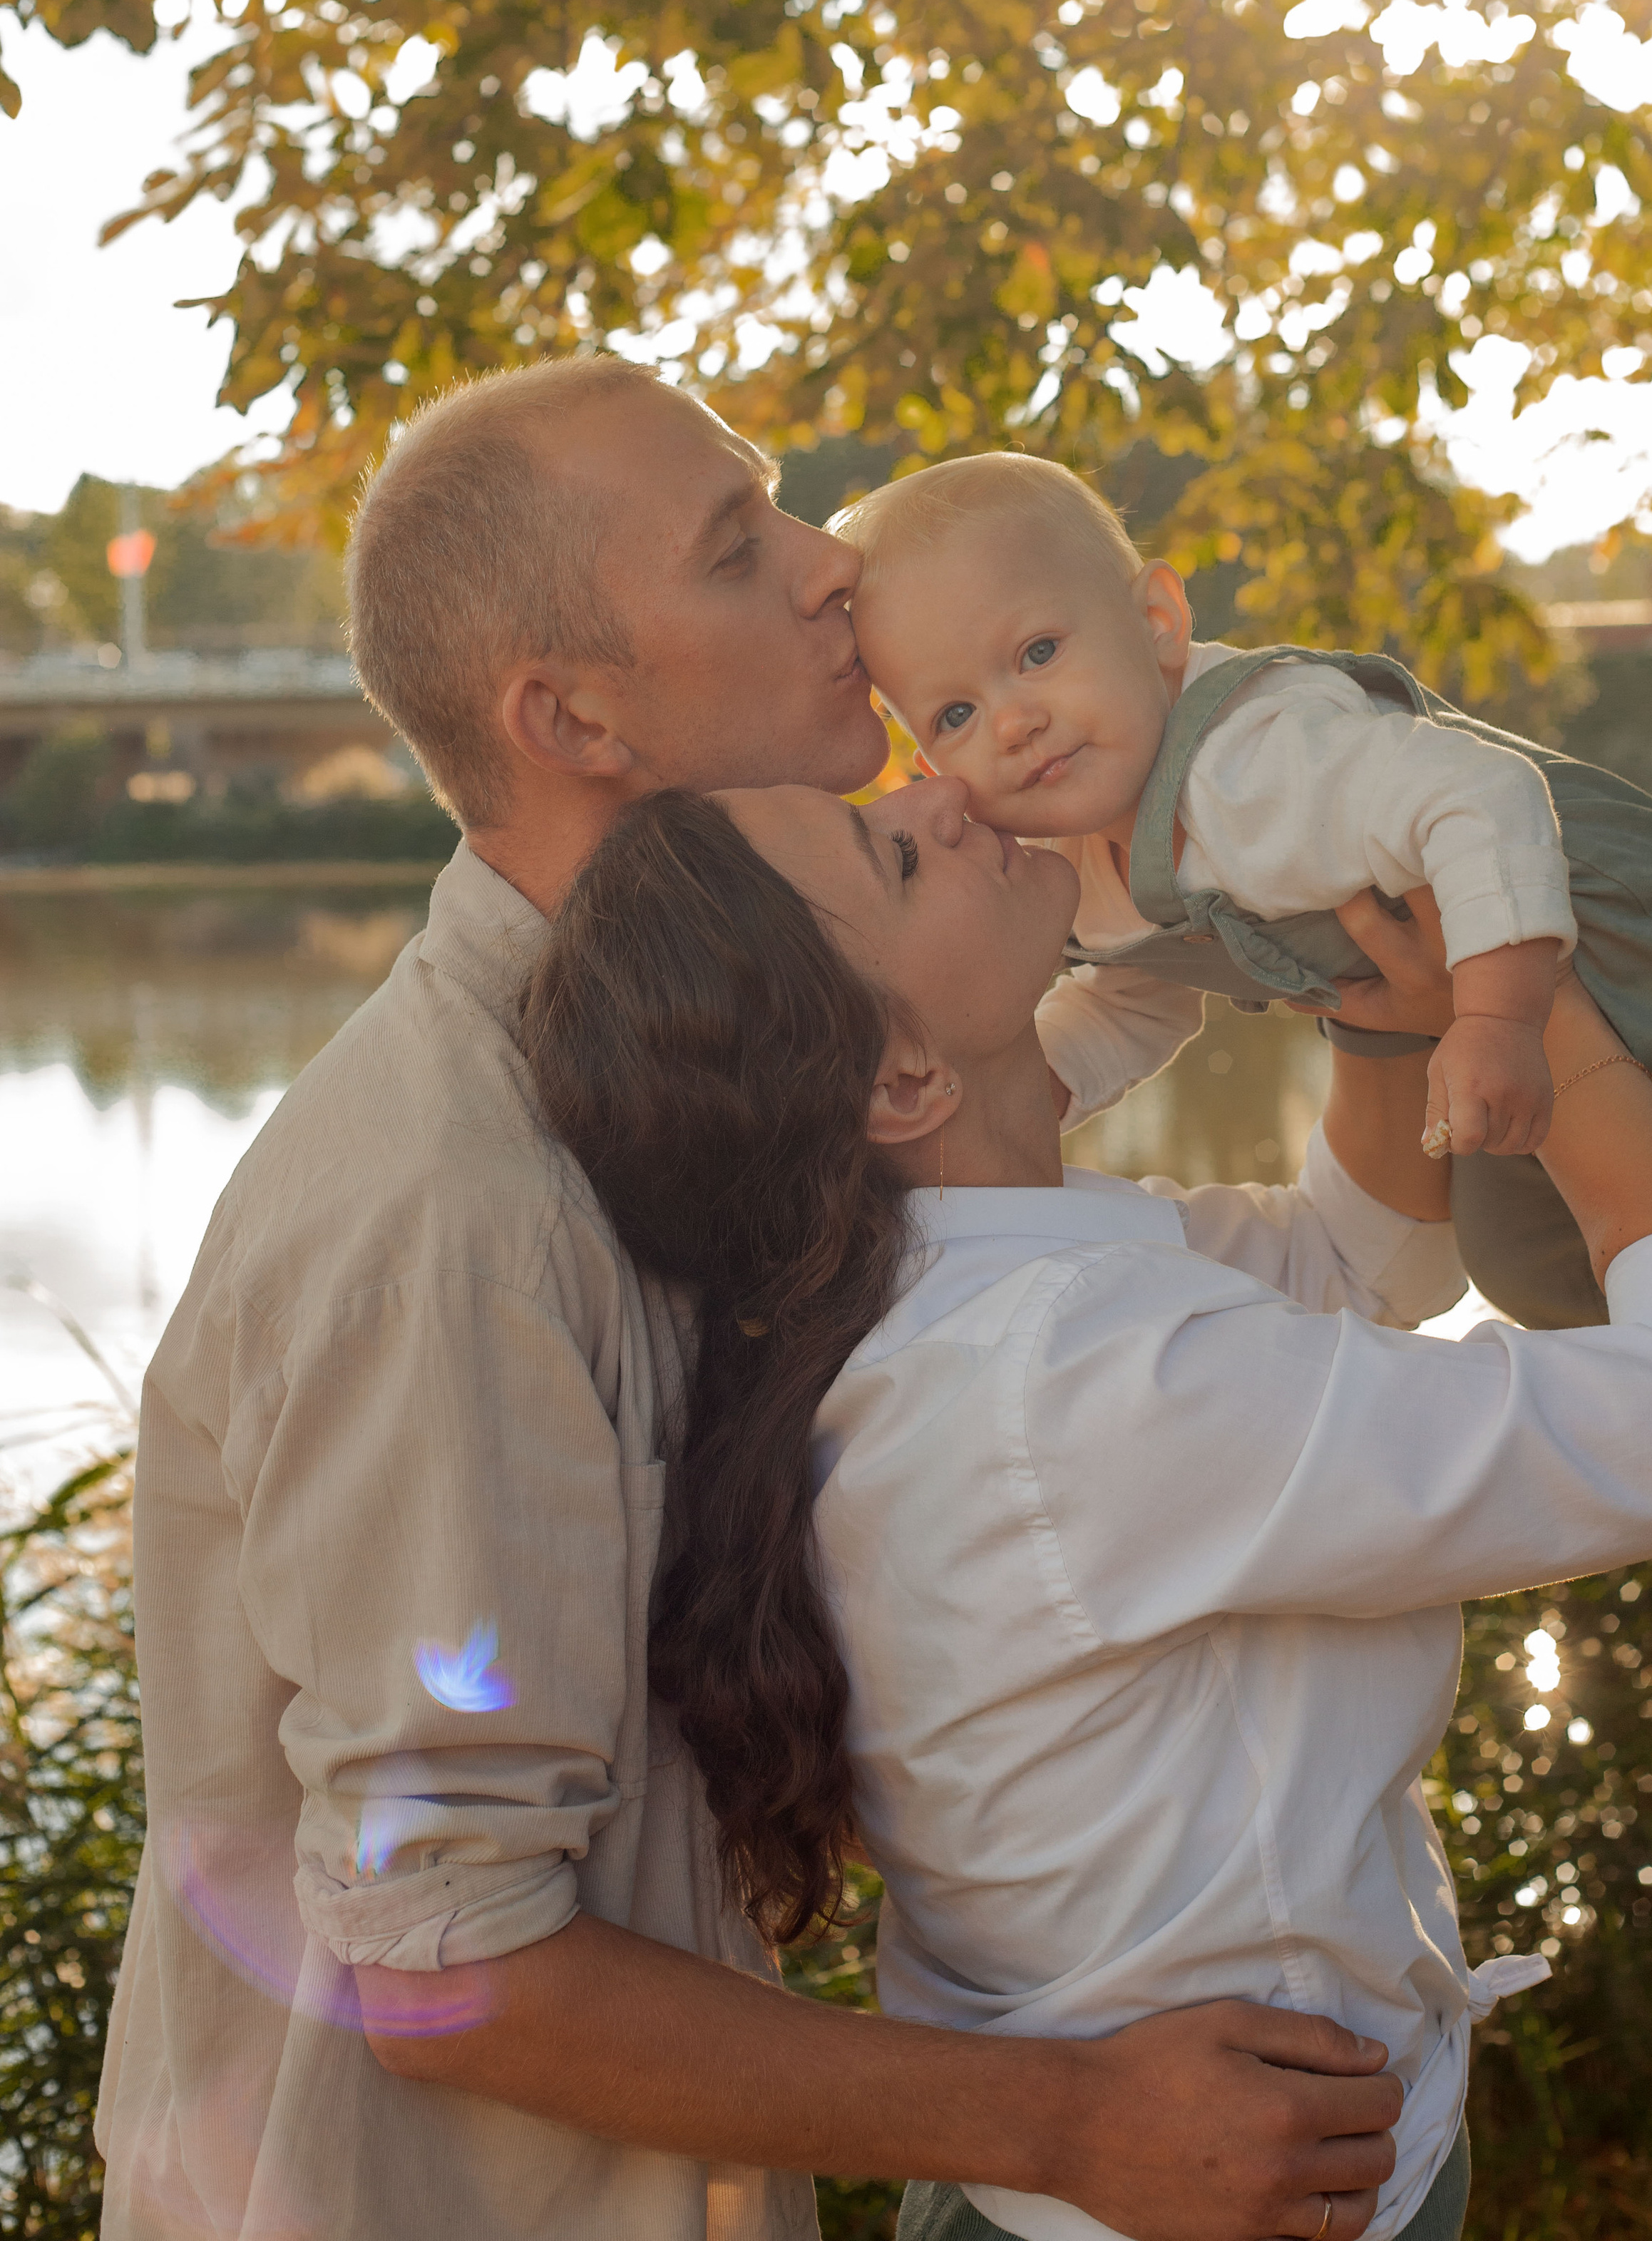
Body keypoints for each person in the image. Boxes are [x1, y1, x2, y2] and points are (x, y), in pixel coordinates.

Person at [97, 357, 1411, 2241]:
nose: (828, 570)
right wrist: (1061, 2123)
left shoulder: (734, 1073)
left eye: (783, 505)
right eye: (739, 549)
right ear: (572, 715)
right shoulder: (450, 1220)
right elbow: (444, 1951)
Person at [521, 773, 1652, 2241]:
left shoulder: (942, 1309)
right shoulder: (1082, 1378)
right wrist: (1539, 1027)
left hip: (1117, 2175)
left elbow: (1350, 1276)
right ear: (898, 1080)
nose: (941, 795)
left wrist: (1384, 1013)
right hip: (1244, 2190)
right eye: (891, 851)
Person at [833, 449, 1652, 1619]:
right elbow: (1143, 994)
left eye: (1039, 654)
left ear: (1155, 622)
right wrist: (1038, 1082)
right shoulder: (1089, 854)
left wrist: (1502, 1016)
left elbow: (1485, 798)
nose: (1017, 721)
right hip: (1488, 982)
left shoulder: (1258, 762)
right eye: (956, 712)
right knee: (1523, 1264)